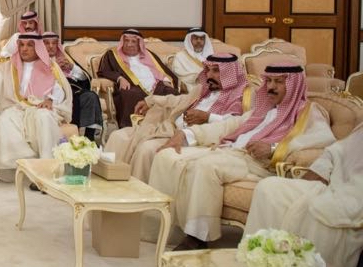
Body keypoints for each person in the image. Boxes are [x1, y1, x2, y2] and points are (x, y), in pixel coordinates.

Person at [149, 61, 335, 248]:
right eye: (269, 81)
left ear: (294, 84)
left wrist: (273, 149)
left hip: (256, 163)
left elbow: (322, 141)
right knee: (168, 156)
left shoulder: (308, 112)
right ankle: (168, 226)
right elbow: (229, 126)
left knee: (207, 167)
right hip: (231, 152)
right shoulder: (264, 108)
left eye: (278, 82)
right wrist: (186, 134)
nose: (271, 87)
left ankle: (197, 237)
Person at [104, 54, 249, 182]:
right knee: (118, 136)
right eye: (208, 70)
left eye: (216, 71)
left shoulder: (241, 96)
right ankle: (110, 188)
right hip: (169, 128)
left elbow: (235, 123)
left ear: (230, 73)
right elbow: (180, 100)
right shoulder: (204, 89)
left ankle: (140, 196)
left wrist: (208, 117)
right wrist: (151, 100)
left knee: (146, 150)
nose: (209, 75)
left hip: (194, 138)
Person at [245, 124, 363, 267]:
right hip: (331, 185)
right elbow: (335, 151)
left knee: (322, 210)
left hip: (355, 198)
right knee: (268, 188)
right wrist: (320, 170)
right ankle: (257, 266)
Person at [0, 34, 72, 181]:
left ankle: (46, 169)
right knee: (5, 119)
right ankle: (25, 163)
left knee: (44, 117)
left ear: (37, 47)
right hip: (15, 108)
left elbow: (59, 89)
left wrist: (51, 100)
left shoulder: (49, 66)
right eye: (22, 45)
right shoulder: (7, 67)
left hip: (39, 107)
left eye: (30, 45)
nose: (24, 49)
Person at [97, 29, 179, 128]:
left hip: (156, 87)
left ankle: (170, 126)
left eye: (133, 41)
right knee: (129, 94)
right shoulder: (112, 55)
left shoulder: (149, 54)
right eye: (126, 41)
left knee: (172, 93)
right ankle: (130, 128)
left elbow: (162, 70)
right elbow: (105, 71)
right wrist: (119, 78)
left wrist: (166, 80)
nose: (129, 44)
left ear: (139, 43)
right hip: (132, 86)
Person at [42, 32, 104, 140]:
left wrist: (72, 67)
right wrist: (56, 69)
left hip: (74, 91)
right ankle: (73, 137)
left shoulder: (65, 58)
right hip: (56, 95)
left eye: (54, 43)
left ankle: (89, 138)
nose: (51, 46)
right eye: (47, 43)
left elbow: (84, 79)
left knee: (91, 96)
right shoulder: (39, 62)